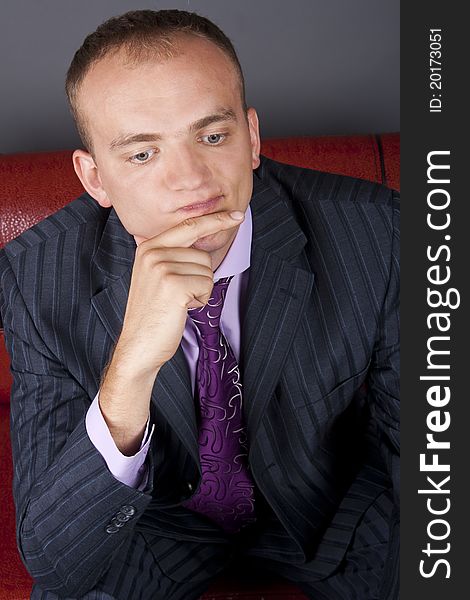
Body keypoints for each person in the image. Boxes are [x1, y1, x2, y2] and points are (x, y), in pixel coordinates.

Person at [0, 9, 399, 600]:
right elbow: (54, 560)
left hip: (330, 508)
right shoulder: (37, 275)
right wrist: (131, 363)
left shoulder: (381, 234)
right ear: (95, 179)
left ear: (253, 138)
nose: (191, 180)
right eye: (142, 154)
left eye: (213, 136)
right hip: (155, 523)